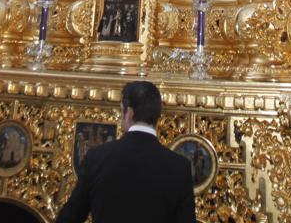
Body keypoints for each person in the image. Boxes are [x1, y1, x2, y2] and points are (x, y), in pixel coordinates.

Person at [54, 80, 195, 223]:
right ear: (158, 115)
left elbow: (69, 218)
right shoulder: (180, 167)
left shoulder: (96, 158)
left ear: (129, 113)